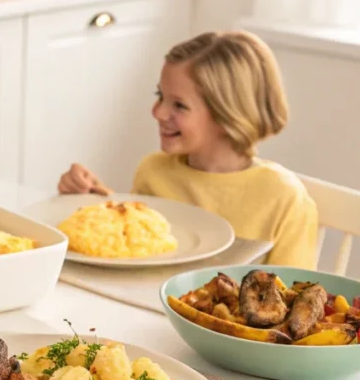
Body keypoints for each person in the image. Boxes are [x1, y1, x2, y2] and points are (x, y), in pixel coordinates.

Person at [58, 30, 318, 268]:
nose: (158, 112)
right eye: (160, 96)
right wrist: (90, 198)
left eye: (179, 105)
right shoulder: (153, 171)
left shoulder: (284, 199)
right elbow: (137, 252)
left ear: (228, 114)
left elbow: (298, 298)